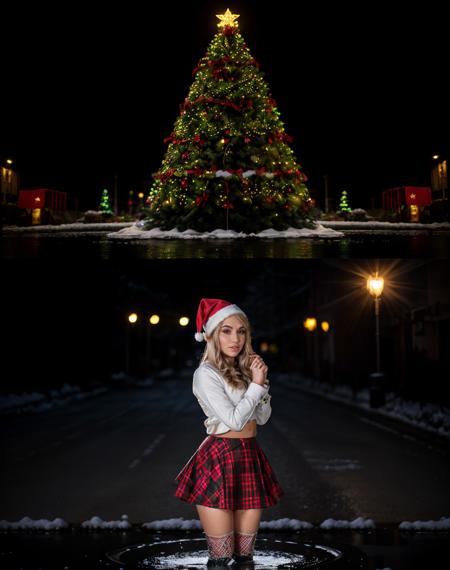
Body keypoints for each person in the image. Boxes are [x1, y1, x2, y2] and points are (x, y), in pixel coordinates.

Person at [174, 298, 283, 568]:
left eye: (241, 330)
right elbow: (234, 421)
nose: (236, 338)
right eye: (226, 330)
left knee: (245, 558)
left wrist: (263, 387)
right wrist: (256, 387)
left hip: (249, 455)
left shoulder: (244, 370)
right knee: (222, 560)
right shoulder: (205, 374)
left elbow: (263, 418)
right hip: (217, 458)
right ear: (211, 335)